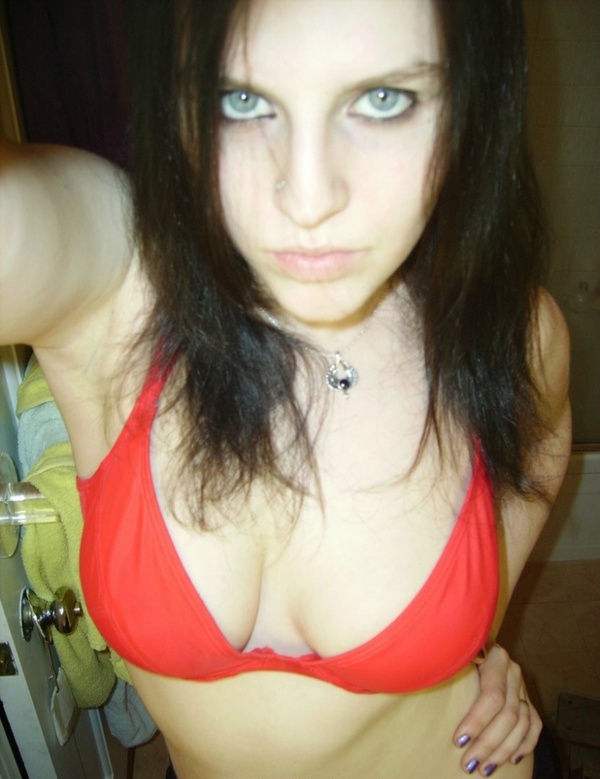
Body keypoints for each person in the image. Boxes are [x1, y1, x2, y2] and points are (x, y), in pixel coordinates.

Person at [0, 0, 570, 777]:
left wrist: (472, 627)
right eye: (242, 99)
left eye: (382, 99)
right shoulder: (119, 291)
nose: (306, 199)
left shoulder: (508, 330)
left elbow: (540, 444)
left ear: (472, 101)